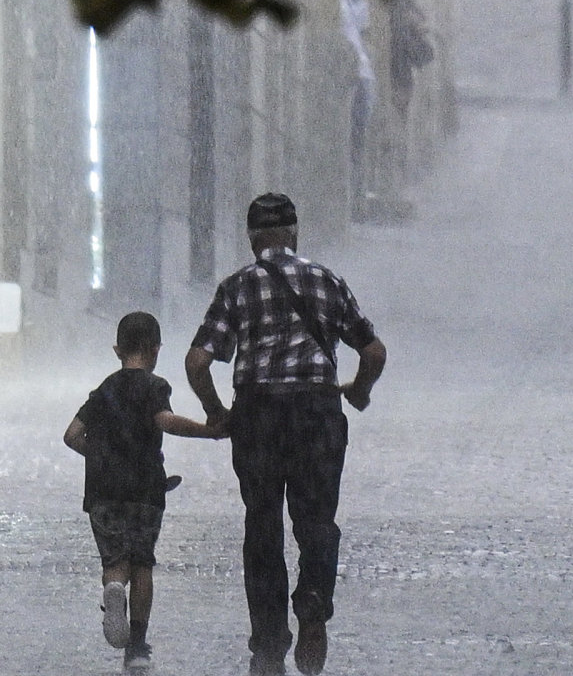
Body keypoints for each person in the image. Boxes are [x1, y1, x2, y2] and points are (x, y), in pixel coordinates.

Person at [185, 193, 387, 676]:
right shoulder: (326, 281)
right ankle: (314, 599)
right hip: (316, 411)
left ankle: (269, 643)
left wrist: (218, 414)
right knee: (316, 520)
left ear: (253, 240)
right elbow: (374, 352)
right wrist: (357, 391)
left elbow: (197, 361)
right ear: (295, 234)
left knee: (262, 526)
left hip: (257, 414)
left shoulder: (236, 287)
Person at [62, 311, 226, 673]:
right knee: (143, 563)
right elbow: (164, 421)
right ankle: (136, 648)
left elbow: (71, 434)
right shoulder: (155, 387)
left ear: (117, 350)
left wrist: (102, 455)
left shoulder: (103, 389)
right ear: (155, 350)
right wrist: (209, 430)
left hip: (103, 491)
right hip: (145, 491)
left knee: (115, 562)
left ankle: (114, 588)